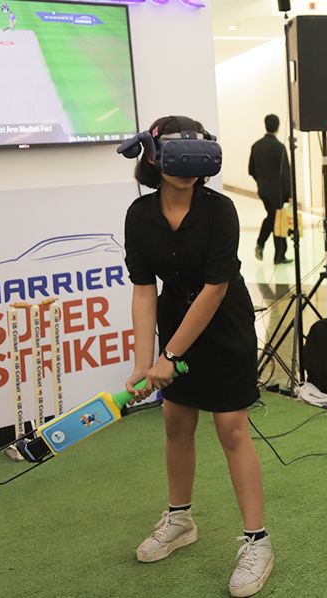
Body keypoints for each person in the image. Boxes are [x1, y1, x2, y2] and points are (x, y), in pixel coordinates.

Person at [124, 115, 274, 597]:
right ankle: (180, 520)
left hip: (223, 324)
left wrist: (168, 354)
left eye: (194, 155)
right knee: (176, 423)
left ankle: (258, 542)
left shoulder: (221, 210)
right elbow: (145, 292)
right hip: (174, 319)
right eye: (175, 154)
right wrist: (142, 361)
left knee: (231, 429)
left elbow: (214, 288)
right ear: (153, 155)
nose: (186, 167)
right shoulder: (139, 215)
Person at [249, 114, 291, 265]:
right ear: (278, 127)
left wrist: (261, 182)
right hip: (277, 192)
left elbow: (251, 170)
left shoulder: (256, 146)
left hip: (263, 191)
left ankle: (277, 253)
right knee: (277, 220)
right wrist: (290, 194)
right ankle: (271, 250)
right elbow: (285, 173)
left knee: (273, 218)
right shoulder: (279, 147)